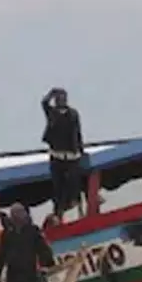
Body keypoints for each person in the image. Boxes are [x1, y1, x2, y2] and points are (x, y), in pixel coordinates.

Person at [41, 87, 85, 218]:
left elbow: (78, 133)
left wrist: (80, 150)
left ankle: (77, 208)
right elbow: (43, 103)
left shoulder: (73, 114)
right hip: (56, 155)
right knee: (57, 187)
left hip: (72, 155)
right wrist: (50, 93)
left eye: (63, 98)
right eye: (58, 98)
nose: (61, 101)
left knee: (74, 184)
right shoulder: (52, 112)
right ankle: (58, 213)